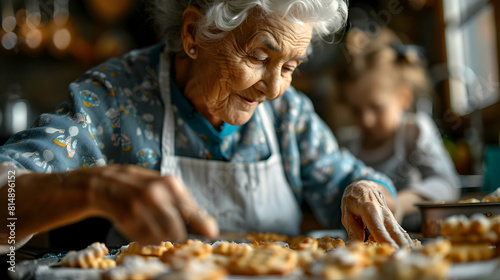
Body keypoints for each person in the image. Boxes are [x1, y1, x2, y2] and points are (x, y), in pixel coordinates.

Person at [0, 0, 413, 252]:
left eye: (290, 66)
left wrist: (365, 192)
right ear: (194, 32)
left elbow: (353, 184)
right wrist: (93, 188)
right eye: (257, 57)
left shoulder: (290, 116)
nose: (273, 89)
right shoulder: (115, 98)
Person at [335, 27, 460, 231]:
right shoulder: (346, 144)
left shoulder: (413, 132)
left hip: (416, 237)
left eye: (376, 107)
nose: (366, 120)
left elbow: (446, 185)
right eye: (356, 110)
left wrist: (397, 203)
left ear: (404, 98)